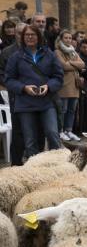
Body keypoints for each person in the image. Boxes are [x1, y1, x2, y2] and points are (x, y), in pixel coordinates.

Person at [4, 25, 63, 158]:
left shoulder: (49, 54)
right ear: (23, 38)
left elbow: (58, 77)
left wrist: (48, 86)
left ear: (39, 36)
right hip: (25, 103)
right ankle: (34, 171)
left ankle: (58, 163)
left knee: (52, 133)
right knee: (30, 141)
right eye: (27, 35)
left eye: (33, 34)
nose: (30, 37)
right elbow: (9, 80)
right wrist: (23, 88)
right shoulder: (16, 57)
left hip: (46, 102)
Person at [0, 22, 30, 164]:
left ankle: (32, 160)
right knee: (18, 130)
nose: (22, 36)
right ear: (14, 34)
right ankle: (16, 163)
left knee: (33, 130)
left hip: (35, 97)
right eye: (19, 33)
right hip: (16, 95)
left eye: (25, 32)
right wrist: (15, 85)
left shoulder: (36, 50)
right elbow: (1, 73)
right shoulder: (7, 52)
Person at [54, 30, 85, 141]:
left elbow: (82, 64)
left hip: (75, 85)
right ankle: (60, 131)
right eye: (66, 38)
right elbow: (63, 66)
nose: (68, 40)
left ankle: (69, 130)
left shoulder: (73, 52)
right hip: (64, 85)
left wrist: (71, 63)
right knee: (63, 109)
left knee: (72, 110)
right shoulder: (58, 52)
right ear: (61, 39)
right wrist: (75, 65)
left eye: (70, 38)